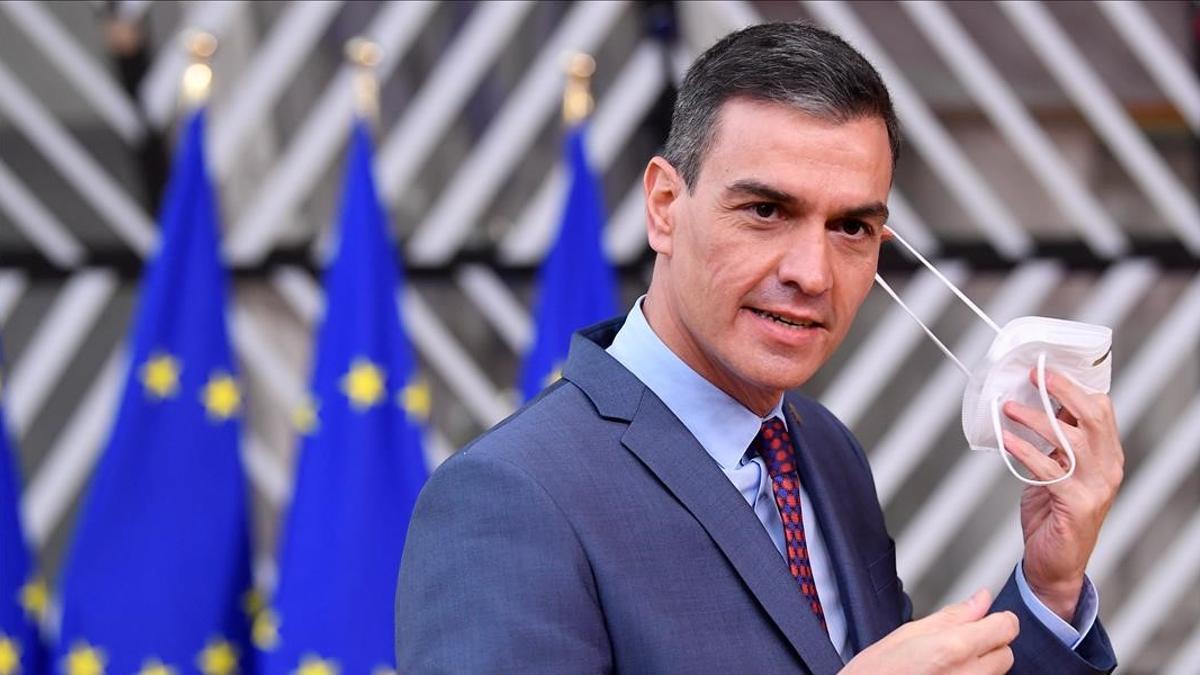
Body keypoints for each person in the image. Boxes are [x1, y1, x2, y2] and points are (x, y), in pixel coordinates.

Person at [395, 22, 1121, 674]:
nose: (810, 273)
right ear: (664, 207)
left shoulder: (824, 448)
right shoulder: (511, 495)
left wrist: (1050, 586)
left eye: (851, 228)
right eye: (767, 211)